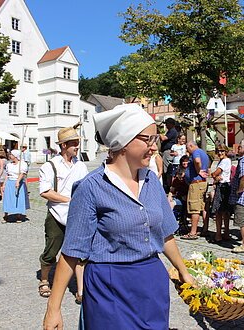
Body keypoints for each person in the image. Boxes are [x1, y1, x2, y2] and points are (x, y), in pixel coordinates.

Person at [43, 104, 193, 329]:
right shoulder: (91, 187)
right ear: (124, 141)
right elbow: (71, 251)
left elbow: (164, 234)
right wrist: (53, 309)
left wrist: (183, 271)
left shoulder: (151, 181)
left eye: (155, 140)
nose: (154, 147)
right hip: (109, 285)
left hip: (151, 282)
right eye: (148, 140)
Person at [38, 126, 88, 303]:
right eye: (74, 144)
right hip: (56, 214)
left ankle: (81, 290)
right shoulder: (50, 165)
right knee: (52, 249)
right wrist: (68, 199)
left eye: (78, 143)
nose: (77, 147)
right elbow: (45, 191)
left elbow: (87, 187)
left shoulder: (81, 166)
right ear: (64, 145)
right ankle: (44, 280)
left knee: (80, 253)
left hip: (77, 216)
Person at [180, 141, 210, 240]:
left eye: (187, 148)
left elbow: (197, 161)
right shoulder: (203, 153)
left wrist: (198, 171)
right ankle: (205, 229)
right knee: (203, 207)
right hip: (202, 183)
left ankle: (193, 232)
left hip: (196, 183)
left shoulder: (196, 152)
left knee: (194, 208)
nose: (186, 150)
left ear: (191, 146)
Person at [210, 144, 232, 242]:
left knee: (219, 212)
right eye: (218, 151)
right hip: (225, 185)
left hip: (222, 186)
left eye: (222, 151)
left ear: (226, 151)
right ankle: (225, 232)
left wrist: (214, 176)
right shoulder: (223, 161)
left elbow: (215, 173)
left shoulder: (225, 161)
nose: (220, 153)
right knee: (225, 212)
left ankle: (218, 234)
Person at [2, 150, 29, 223]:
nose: (10, 156)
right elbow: (7, 175)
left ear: (16, 156)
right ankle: (6, 215)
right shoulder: (9, 165)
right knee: (8, 198)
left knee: (18, 198)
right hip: (9, 182)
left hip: (18, 182)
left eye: (11, 155)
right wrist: (4, 184)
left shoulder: (22, 164)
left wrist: (17, 181)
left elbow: (22, 173)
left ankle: (18, 215)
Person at [160, 117, 178, 190]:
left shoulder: (172, 131)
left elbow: (164, 138)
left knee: (167, 169)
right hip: (166, 151)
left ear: (171, 124)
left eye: (167, 124)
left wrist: (159, 133)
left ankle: (168, 186)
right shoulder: (170, 131)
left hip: (168, 151)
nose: (166, 126)